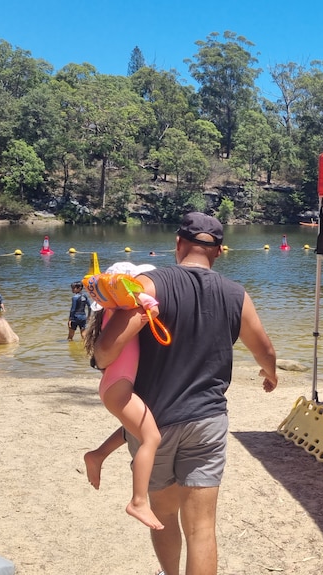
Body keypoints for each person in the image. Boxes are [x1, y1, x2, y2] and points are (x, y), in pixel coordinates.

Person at [93, 212, 278, 575]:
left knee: (164, 515)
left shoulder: (148, 285)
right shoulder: (237, 295)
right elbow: (265, 350)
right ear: (219, 252)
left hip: (154, 420)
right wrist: (269, 375)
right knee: (202, 528)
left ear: (178, 244)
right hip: (208, 421)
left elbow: (104, 352)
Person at [83, 262, 164, 531]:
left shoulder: (111, 311)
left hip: (115, 385)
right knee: (151, 438)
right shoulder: (126, 310)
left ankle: (97, 455)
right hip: (117, 387)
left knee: (134, 429)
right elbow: (152, 306)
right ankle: (138, 501)